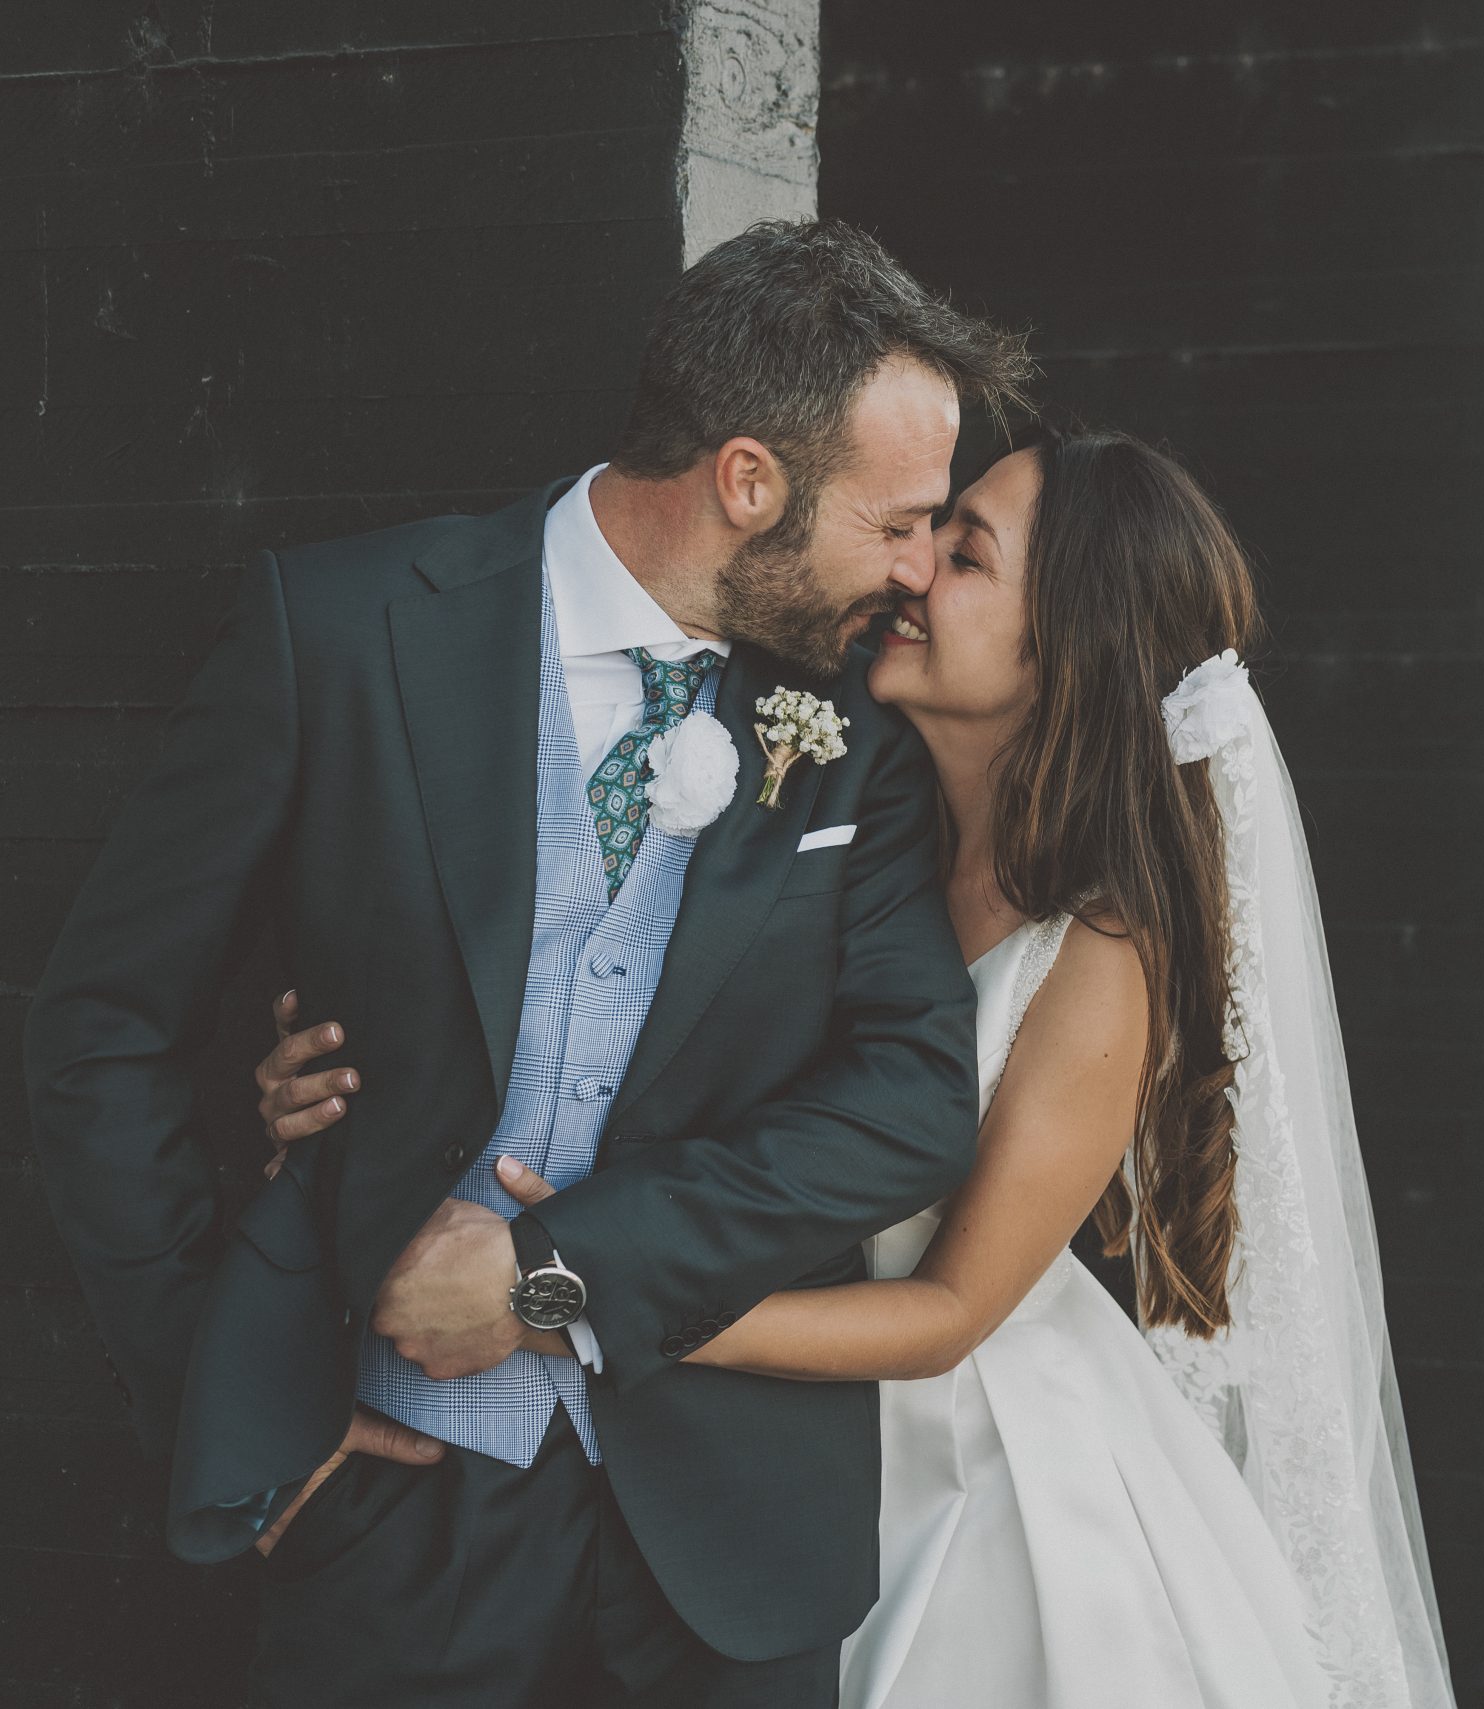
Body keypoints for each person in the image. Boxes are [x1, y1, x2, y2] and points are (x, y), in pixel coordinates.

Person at [259, 426, 1459, 1708]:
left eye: (967, 552)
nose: (914, 569)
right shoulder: (863, 819)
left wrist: (580, 1307)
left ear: (1065, 643)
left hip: (979, 1478)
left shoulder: (1103, 950)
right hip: (769, 1455)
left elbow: (945, 1317)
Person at [23, 219, 1032, 1706]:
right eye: (894, 523)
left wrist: (554, 1278)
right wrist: (223, 1397)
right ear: (749, 482)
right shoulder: (345, 630)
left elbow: (904, 1101)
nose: (913, 573)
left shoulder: (853, 734)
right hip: (386, 1517)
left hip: (728, 1554)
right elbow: (105, 1023)